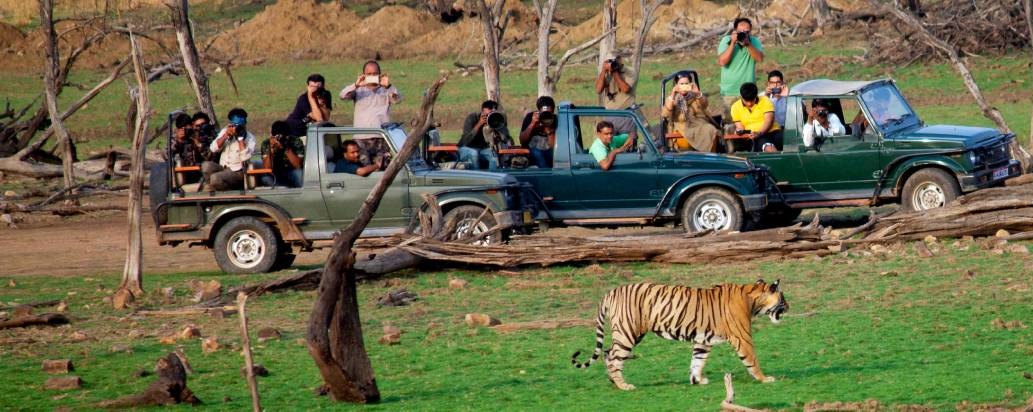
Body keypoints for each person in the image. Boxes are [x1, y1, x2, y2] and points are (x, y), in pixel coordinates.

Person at [339, 60, 401, 165]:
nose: (372, 76)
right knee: (364, 168)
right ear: (363, 75)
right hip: (361, 138)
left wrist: (388, 86)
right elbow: (343, 96)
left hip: (381, 137)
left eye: (375, 74)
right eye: (369, 74)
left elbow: (397, 99)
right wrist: (356, 85)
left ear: (380, 75)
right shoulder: (358, 90)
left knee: (382, 168)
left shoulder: (386, 89)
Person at [717, 17, 764, 118]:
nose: (743, 34)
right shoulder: (726, 40)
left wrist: (748, 44)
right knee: (730, 125)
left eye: (746, 32)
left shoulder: (754, 42)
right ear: (735, 31)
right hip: (729, 91)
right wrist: (733, 43)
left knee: (751, 122)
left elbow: (759, 59)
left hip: (749, 92)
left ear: (750, 32)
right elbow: (722, 62)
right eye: (741, 32)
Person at [661, 71, 719, 152]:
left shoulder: (695, 95)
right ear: (676, 85)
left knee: (710, 129)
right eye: (681, 84)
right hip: (682, 126)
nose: (684, 86)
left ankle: (710, 156)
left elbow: (704, 104)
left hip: (699, 124)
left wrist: (698, 93)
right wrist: (673, 94)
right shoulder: (673, 98)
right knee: (705, 130)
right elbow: (667, 112)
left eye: (686, 83)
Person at [202, 108, 257, 191]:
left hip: (238, 171)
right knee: (206, 166)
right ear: (230, 124)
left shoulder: (250, 138)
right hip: (223, 167)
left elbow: (245, 159)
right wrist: (225, 136)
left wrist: (240, 139)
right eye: (235, 125)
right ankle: (212, 187)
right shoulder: (225, 131)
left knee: (215, 178)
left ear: (245, 124)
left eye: (240, 126)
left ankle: (229, 191)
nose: (236, 128)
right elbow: (213, 149)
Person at [729, 82, 782, 152]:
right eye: (746, 101)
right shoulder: (735, 107)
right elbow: (740, 127)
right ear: (741, 97)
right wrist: (739, 131)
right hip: (754, 138)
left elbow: (769, 121)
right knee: (768, 148)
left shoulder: (765, 100)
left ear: (756, 95)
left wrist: (759, 133)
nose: (749, 103)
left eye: (752, 100)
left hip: (773, 132)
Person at [459, 100, 510, 170]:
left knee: (493, 156)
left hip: (483, 149)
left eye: (493, 112)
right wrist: (479, 124)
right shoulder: (472, 117)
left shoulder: (498, 119)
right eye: (489, 112)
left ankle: (492, 177)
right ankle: (477, 178)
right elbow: (466, 141)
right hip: (466, 148)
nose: (491, 115)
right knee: (474, 154)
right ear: (482, 111)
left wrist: (497, 126)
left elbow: (506, 139)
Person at [595, 55, 637, 136]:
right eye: (610, 61)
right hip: (609, 114)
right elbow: (598, 89)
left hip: (626, 114)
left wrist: (614, 71)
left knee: (628, 146)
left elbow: (625, 89)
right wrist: (604, 70)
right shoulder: (606, 72)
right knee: (611, 145)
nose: (613, 63)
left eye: (615, 60)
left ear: (621, 60)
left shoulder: (630, 72)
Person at [259, 120, 305, 188]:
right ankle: (284, 191)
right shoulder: (266, 143)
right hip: (276, 172)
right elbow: (267, 168)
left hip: (292, 170)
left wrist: (286, 148)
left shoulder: (295, 141)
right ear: (272, 135)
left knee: (299, 174)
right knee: (266, 179)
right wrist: (271, 150)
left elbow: (297, 165)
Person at [519, 96, 557, 168]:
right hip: (533, 150)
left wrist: (548, 127)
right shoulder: (531, 117)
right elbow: (522, 140)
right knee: (538, 154)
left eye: (550, 113)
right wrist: (532, 124)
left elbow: (554, 147)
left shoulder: (555, 119)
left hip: (549, 150)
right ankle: (546, 175)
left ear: (553, 111)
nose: (547, 115)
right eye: (544, 113)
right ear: (539, 111)